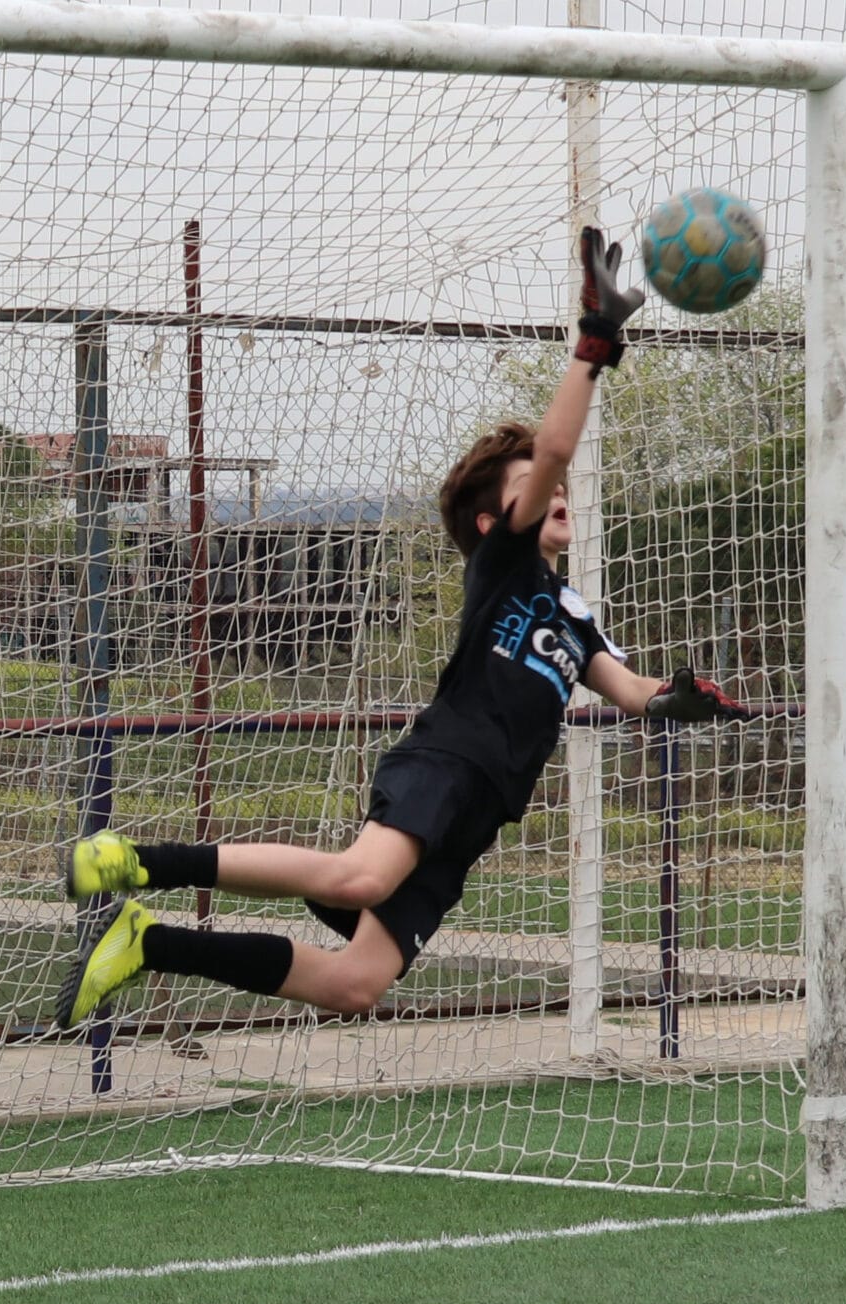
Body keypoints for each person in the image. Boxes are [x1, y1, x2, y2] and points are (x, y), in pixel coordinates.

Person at [54, 227, 750, 1029]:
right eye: (535, 485)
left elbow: (631, 691)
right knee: (359, 880)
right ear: (498, 520)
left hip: (483, 808)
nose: (556, 488)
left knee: (356, 984)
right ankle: (135, 862)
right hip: (448, 759)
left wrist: (678, 700)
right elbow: (559, 444)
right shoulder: (506, 568)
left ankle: (148, 943)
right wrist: (593, 344)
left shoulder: (574, 616)